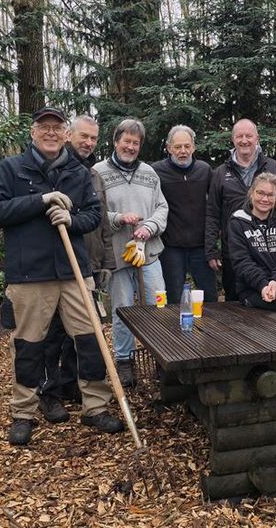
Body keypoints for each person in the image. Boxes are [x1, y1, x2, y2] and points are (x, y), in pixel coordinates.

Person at [0, 107, 124, 446]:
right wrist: (40, 200)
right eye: (43, 127)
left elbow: (94, 215)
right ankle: (23, 412)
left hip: (74, 272)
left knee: (90, 340)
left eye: (56, 128)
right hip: (30, 274)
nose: (50, 132)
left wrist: (72, 220)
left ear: (65, 135)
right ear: (33, 132)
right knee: (29, 345)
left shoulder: (78, 172)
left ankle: (95, 407)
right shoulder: (12, 169)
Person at [36, 115, 111, 423]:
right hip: (54, 268)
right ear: (69, 136)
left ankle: (72, 385)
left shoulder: (93, 175)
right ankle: (49, 393)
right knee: (52, 334)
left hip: (87, 264)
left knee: (83, 335)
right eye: (83, 136)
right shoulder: (52, 170)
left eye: (93, 138)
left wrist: (106, 262)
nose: (88, 142)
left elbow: (100, 220)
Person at [92, 119, 168, 388]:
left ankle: (161, 356)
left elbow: (162, 207)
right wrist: (118, 218)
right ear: (116, 141)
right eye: (126, 141)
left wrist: (149, 227)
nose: (131, 147)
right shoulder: (98, 172)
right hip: (117, 255)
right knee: (122, 309)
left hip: (149, 254)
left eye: (136, 143)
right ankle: (125, 361)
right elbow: (94, 211)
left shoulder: (149, 173)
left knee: (158, 307)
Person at [205, 119, 276, 301]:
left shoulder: (273, 167)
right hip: (234, 253)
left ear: (257, 138)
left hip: (270, 253)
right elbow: (212, 213)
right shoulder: (220, 173)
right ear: (233, 139)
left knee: (271, 301)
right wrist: (211, 249)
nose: (244, 140)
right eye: (239, 136)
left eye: (249, 136)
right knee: (234, 305)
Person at [152, 125, 216, 304]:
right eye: (178, 147)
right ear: (169, 148)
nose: (183, 151)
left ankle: (211, 324)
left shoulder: (204, 170)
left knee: (209, 297)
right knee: (173, 297)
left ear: (193, 147)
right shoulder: (156, 171)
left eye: (187, 146)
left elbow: (214, 206)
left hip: (201, 247)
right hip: (171, 247)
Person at [227, 172, 276, 318]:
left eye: (270, 195)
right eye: (260, 193)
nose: (265, 199)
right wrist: (263, 285)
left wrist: (275, 281)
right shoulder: (238, 221)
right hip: (251, 289)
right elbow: (241, 261)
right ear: (251, 193)